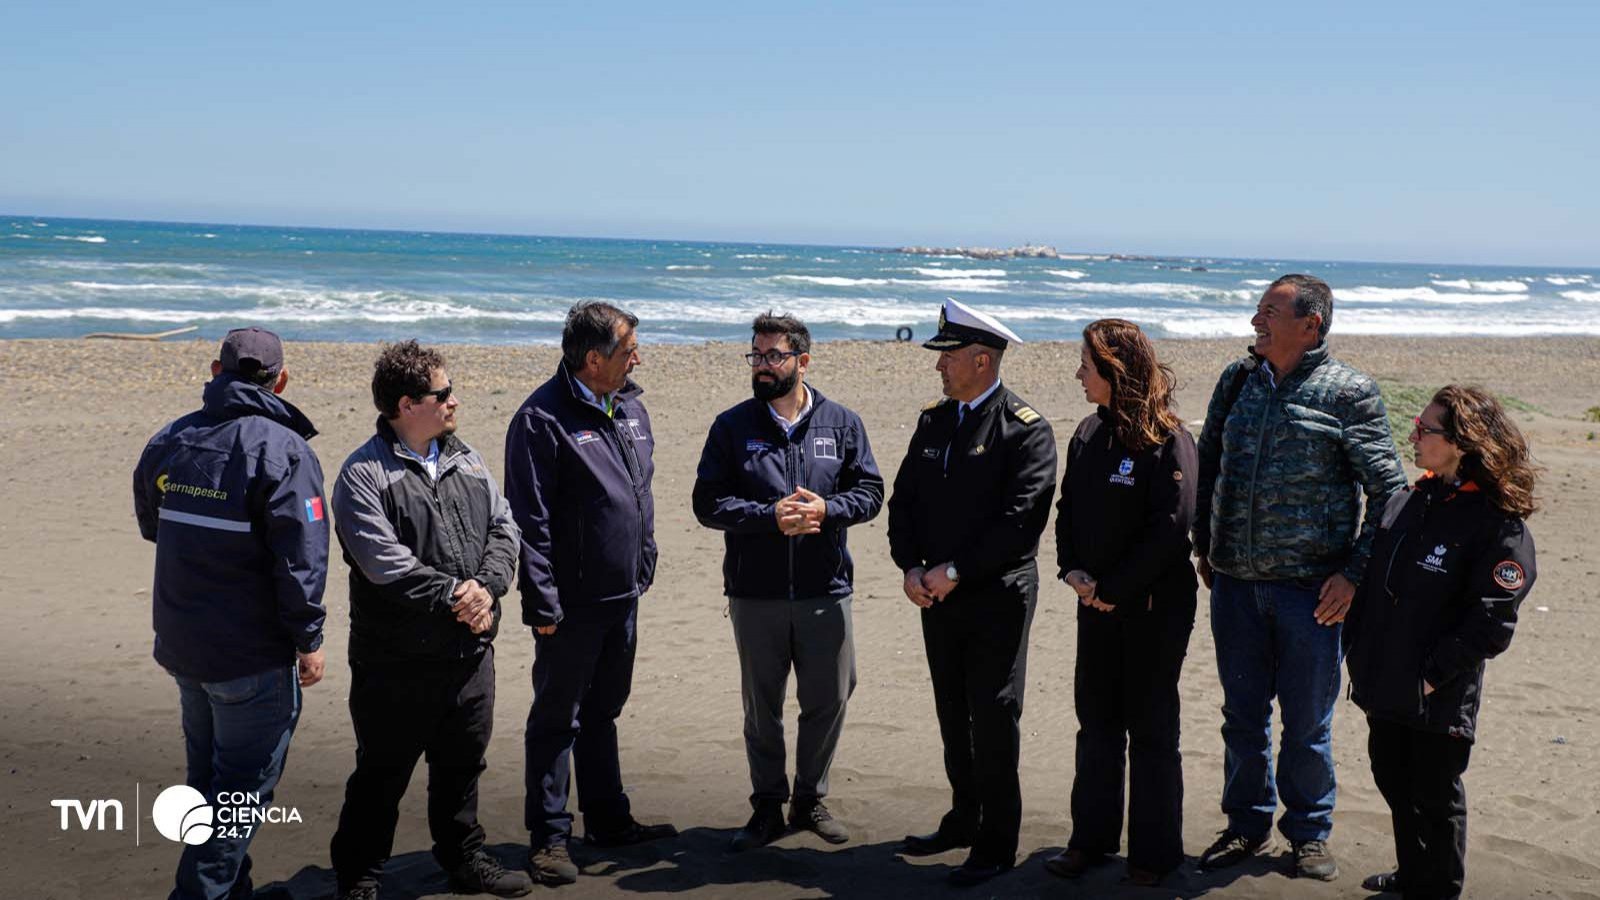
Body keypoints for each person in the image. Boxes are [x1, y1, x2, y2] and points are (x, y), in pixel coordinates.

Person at [1192, 274, 1407, 881]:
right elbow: (1209, 463)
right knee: (1242, 717)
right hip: (1234, 585)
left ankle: (1309, 834)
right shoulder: (1238, 381)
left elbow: (1389, 492)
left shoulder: (1349, 392)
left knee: (1307, 727)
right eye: (1258, 309)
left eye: (1268, 312)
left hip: (1312, 595)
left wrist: (1354, 575)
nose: (1255, 321)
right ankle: (1245, 825)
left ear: (1310, 325)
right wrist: (1204, 545)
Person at [328, 340, 531, 900]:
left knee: (462, 766)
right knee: (381, 774)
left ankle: (464, 859)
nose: (454, 402)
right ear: (407, 403)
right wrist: (454, 596)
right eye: (443, 394)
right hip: (395, 661)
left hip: (469, 655)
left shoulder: (466, 458)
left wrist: (486, 589)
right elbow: (381, 562)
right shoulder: (363, 475)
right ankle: (360, 876)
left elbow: (505, 527)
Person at [132, 326, 328, 900]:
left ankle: (230, 890)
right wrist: (308, 638)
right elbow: (303, 561)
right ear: (280, 381)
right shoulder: (284, 449)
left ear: (216, 372)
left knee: (210, 782)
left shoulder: (172, 438)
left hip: (184, 645)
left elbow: (154, 524)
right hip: (246, 657)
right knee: (236, 798)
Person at [692, 312, 885, 851]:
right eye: (755, 354)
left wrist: (829, 508)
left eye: (773, 355)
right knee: (763, 707)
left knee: (831, 696)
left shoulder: (841, 422)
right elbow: (707, 503)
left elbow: (870, 491)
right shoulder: (732, 426)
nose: (761, 365)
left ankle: (809, 798)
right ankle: (767, 805)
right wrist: (766, 517)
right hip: (755, 594)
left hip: (826, 590)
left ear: (802, 361)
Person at [887, 298, 1058, 887]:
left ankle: (995, 842)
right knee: (951, 711)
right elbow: (904, 501)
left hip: (996, 597)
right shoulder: (935, 420)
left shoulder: (1024, 428)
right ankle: (963, 818)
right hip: (937, 595)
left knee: (992, 714)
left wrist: (953, 571)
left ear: (982, 361)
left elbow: (1020, 522)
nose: (939, 367)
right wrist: (910, 567)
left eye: (949, 357)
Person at [504, 301, 676, 887]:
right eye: (629, 348)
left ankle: (608, 820)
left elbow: (639, 491)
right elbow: (531, 519)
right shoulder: (541, 419)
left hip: (622, 594)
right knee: (558, 718)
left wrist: (644, 554)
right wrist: (542, 599)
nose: (637, 356)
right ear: (593, 358)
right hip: (571, 604)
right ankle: (551, 838)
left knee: (604, 711)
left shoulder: (630, 406)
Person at [1345, 385, 1538, 900]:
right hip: (1385, 677)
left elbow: (1493, 621)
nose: (1414, 434)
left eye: (1425, 429)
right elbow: (1374, 579)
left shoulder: (1496, 522)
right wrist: (1358, 649)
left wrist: (1432, 675)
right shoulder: (1414, 497)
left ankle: (1439, 888)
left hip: (1437, 688)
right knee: (1391, 775)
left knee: (1434, 793)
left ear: (1460, 441)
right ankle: (1413, 875)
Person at [1046, 319, 1198, 887]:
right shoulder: (1089, 431)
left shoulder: (1168, 437)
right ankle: (1090, 841)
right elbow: (1067, 510)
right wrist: (1074, 572)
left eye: (1086, 364)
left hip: (1154, 608)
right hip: (1095, 604)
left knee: (1153, 729)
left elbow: (1171, 528)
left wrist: (1114, 589)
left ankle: (1154, 856)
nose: (1079, 374)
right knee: (1097, 722)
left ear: (1114, 369)